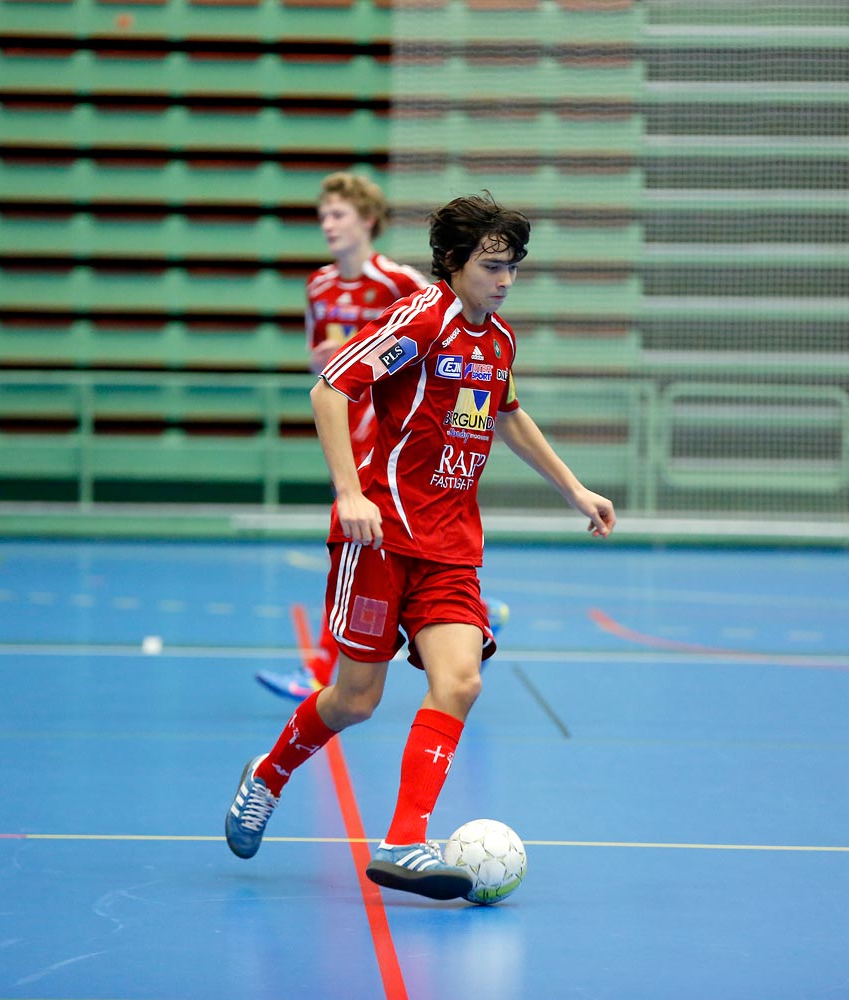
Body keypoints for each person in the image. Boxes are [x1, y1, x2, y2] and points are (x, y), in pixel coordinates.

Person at [227, 192, 616, 901]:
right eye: (491, 266)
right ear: (452, 262)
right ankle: (270, 773)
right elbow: (329, 390)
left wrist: (573, 488)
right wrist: (350, 493)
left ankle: (405, 839)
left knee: (461, 680)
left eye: (513, 267)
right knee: (353, 700)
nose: (504, 280)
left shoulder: (497, 341)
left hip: (450, 546)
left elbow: (505, 412)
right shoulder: (422, 320)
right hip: (380, 536)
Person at [255, 173, 508, 703]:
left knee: (381, 551)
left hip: (393, 445)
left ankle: (446, 629)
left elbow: (446, 341)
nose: (328, 224)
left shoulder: (401, 284)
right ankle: (376, 660)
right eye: (322, 215)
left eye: (339, 214)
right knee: (364, 558)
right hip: (346, 437)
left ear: (368, 221)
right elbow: (324, 366)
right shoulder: (319, 285)